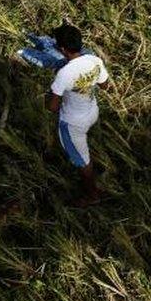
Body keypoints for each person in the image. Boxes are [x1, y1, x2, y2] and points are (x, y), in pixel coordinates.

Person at [45, 24, 111, 206]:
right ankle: (89, 170)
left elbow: (51, 107)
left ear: (63, 49)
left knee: (82, 162)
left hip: (73, 124)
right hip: (92, 112)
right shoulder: (94, 60)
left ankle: (92, 195)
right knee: (82, 152)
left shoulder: (64, 73)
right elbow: (105, 85)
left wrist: (49, 93)